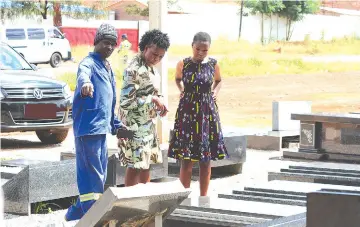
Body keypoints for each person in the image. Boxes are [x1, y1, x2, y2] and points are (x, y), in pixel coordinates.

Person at [65, 23, 126, 221]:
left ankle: (77, 212)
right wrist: (86, 84)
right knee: (91, 176)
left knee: (99, 175)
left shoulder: (107, 67)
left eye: (112, 44)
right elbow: (83, 75)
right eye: (105, 43)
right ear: (96, 42)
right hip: (87, 129)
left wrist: (116, 125)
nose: (109, 47)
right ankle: (90, 215)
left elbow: (109, 102)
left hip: (101, 130)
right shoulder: (88, 62)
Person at [168, 31, 228, 197]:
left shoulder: (213, 64)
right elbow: (177, 79)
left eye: (205, 50)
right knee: (186, 158)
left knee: (205, 158)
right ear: (192, 46)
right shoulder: (183, 64)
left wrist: (215, 92)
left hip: (207, 113)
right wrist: (181, 90)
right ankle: (183, 197)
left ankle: (204, 197)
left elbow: (219, 80)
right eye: (198, 49)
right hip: (187, 111)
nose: (201, 53)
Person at [118, 29, 170, 187]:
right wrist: (151, 99)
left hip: (147, 125)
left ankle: (144, 203)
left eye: (161, 56)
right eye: (154, 54)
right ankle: (130, 204)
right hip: (133, 126)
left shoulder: (151, 67)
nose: (157, 59)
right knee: (134, 167)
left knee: (146, 165)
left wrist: (159, 101)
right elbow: (125, 102)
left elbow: (153, 91)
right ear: (146, 47)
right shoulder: (133, 69)